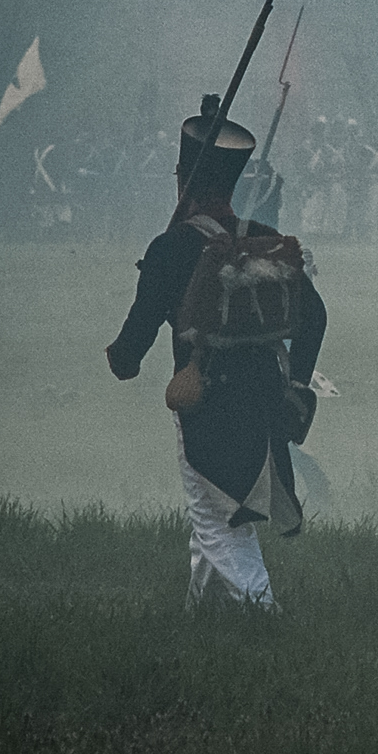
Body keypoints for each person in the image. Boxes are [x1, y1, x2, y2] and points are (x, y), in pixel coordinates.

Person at [105, 96, 328, 609]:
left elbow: (128, 356)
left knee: (217, 521)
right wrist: (296, 387)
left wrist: (120, 353)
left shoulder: (171, 248)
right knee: (214, 512)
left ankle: (264, 616)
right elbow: (314, 318)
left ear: (183, 178)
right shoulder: (263, 239)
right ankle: (199, 615)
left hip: (206, 405)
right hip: (267, 400)